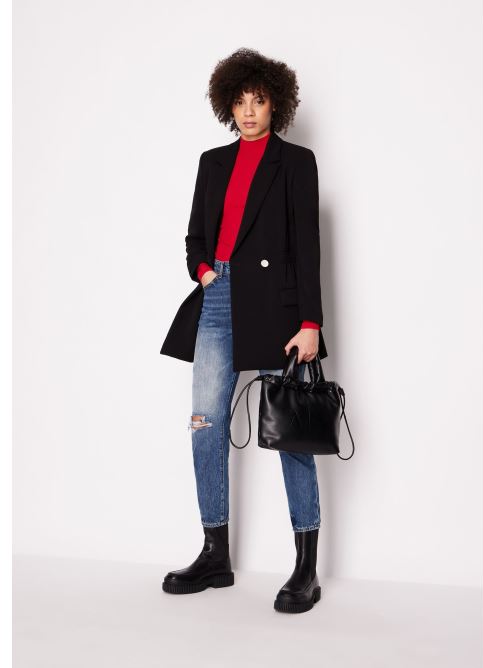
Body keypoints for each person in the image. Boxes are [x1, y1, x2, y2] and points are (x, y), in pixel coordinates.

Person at [160, 47, 327, 614]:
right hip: (219, 299)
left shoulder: (296, 162)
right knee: (205, 426)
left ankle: (306, 569)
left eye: (259, 100)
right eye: (240, 101)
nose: (249, 110)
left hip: (278, 309)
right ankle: (215, 555)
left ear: (276, 104)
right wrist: (206, 272)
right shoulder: (212, 162)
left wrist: (310, 322)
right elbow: (194, 238)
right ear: (227, 106)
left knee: (289, 432)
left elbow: (307, 246)